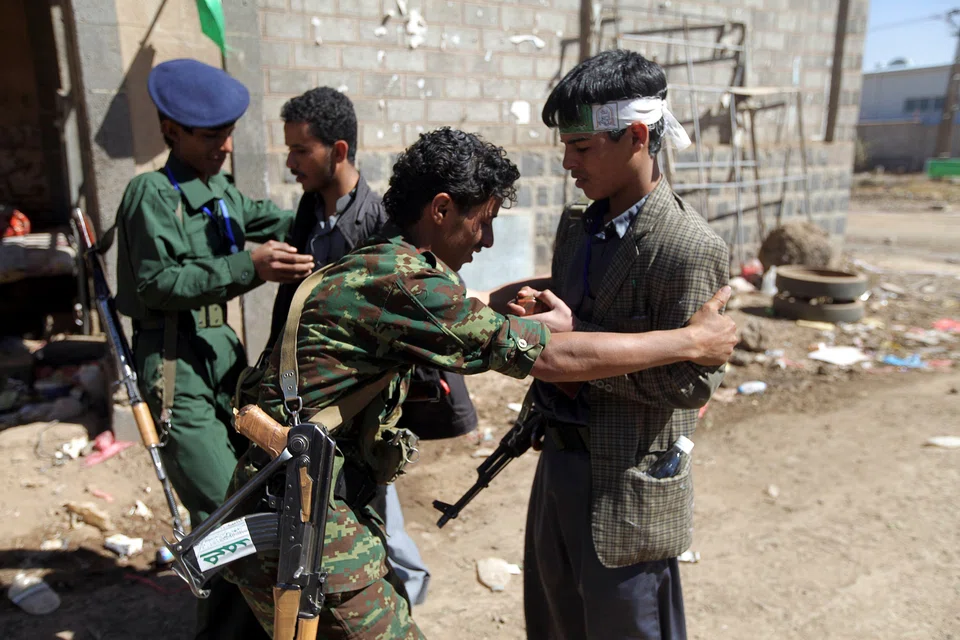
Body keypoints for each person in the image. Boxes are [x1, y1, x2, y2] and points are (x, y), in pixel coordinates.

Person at [225, 126, 737, 638]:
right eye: (483, 222)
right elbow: (550, 357)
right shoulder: (408, 284)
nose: (487, 240)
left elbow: (470, 307)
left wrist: (535, 297)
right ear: (441, 209)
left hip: (292, 503)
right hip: (297, 517)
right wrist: (690, 342)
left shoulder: (381, 263)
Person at [492, 49, 731, 640]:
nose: (567, 162)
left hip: (628, 483)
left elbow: (690, 383)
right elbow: (573, 311)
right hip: (559, 466)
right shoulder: (578, 226)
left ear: (638, 136)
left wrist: (575, 353)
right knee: (554, 621)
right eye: (565, 146)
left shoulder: (687, 247)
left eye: (582, 146)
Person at [113, 58, 313, 639]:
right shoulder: (151, 194)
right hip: (176, 369)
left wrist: (333, 206)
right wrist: (249, 265)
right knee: (228, 516)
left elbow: (278, 219)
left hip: (224, 360)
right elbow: (157, 283)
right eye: (210, 136)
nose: (224, 146)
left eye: (228, 133)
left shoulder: (220, 192)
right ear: (170, 131)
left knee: (260, 498)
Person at [264, 86, 473, 606]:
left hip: (362, 405)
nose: (290, 163)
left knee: (377, 516)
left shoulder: (378, 221)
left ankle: (404, 603)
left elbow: (417, 307)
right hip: (317, 403)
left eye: (300, 150)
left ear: (338, 151)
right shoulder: (309, 212)